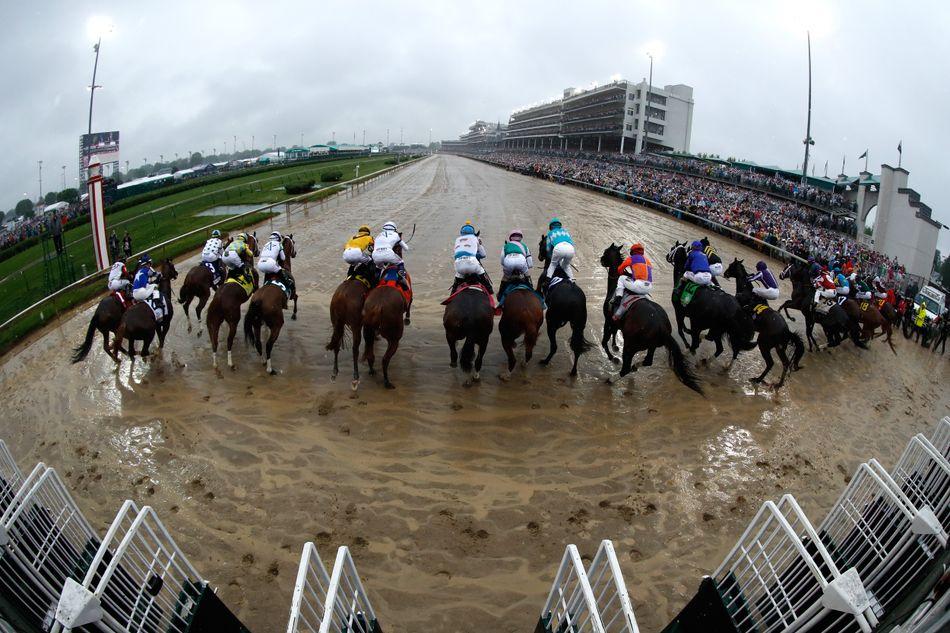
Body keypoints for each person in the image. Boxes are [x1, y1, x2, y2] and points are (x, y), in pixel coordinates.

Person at [610, 243, 653, 320]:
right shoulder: (647, 260)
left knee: (622, 278)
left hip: (639, 285)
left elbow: (620, 269)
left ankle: (619, 297)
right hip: (649, 287)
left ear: (632, 251)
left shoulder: (632, 258)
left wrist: (623, 273)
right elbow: (644, 272)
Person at [451, 221, 491, 294]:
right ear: (473, 232)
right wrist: (475, 255)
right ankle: (490, 290)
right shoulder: (476, 238)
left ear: (461, 233)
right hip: (473, 263)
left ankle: (452, 294)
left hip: (459, 265)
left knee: (457, 278)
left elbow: (455, 255)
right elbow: (483, 255)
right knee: (482, 273)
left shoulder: (457, 240)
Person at [372, 221, 410, 290]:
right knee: (400, 262)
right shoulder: (396, 235)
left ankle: (375, 282)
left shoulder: (378, 236)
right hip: (388, 254)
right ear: (394, 229)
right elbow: (406, 249)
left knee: (378, 267)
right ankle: (401, 277)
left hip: (376, 255)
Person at [257, 231, 295, 297]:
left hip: (260, 265)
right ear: (278, 238)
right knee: (280, 271)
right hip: (270, 263)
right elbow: (283, 258)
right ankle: (289, 284)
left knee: (268, 273)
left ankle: (264, 286)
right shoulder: (279, 244)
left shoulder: (266, 244)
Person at [498, 229, 532, 299]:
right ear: (521, 237)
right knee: (527, 276)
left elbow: (502, 260)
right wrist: (526, 270)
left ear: (510, 237)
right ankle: (532, 291)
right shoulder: (524, 246)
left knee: (505, 278)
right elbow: (530, 263)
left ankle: (500, 295)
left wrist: (506, 269)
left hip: (509, 262)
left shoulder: (506, 245)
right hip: (521, 261)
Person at [131, 253, 166, 321]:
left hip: (134, 294)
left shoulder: (139, 271)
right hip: (140, 292)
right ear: (147, 263)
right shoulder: (147, 270)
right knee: (155, 286)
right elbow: (157, 275)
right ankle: (158, 313)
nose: (150, 263)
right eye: (150, 262)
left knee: (150, 286)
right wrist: (160, 276)